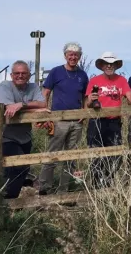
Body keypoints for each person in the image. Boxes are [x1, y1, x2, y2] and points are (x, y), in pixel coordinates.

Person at [85, 52, 131, 188]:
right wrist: (91, 100)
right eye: (106, 63)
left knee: (115, 154)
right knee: (96, 153)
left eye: (112, 64)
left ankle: (108, 181)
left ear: (115, 66)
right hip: (97, 122)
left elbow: (129, 95)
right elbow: (88, 102)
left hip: (114, 122)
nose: (109, 66)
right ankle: (96, 185)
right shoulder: (94, 81)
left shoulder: (121, 80)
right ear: (102, 66)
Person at [38, 42, 89, 195]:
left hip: (76, 121)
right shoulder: (56, 72)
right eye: (70, 54)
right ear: (65, 56)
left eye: (76, 55)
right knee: (52, 154)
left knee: (71, 157)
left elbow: (85, 96)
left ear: (79, 57)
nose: (73, 57)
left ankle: (63, 190)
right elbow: (45, 93)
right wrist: (45, 113)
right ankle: (44, 188)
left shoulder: (82, 75)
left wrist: (84, 113)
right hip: (58, 120)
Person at [0, 60, 46, 199]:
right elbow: (10, 108)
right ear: (12, 75)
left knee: (22, 170)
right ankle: (7, 202)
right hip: (7, 136)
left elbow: (43, 103)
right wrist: (34, 109)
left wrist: (22, 104)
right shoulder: (5, 85)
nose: (20, 76)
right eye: (17, 73)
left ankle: (10, 203)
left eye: (24, 73)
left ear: (29, 75)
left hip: (25, 137)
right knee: (17, 167)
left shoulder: (33, 86)